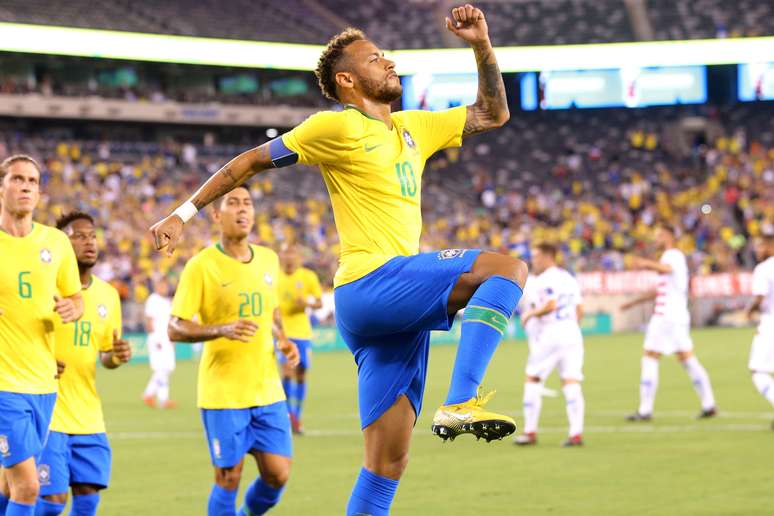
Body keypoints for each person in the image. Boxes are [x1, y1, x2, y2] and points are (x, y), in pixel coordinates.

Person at [150, 6, 528, 514]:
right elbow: (250, 161)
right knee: (508, 269)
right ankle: (461, 400)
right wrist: (183, 212)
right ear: (348, 79)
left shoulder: (416, 126)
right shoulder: (334, 127)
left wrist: (481, 45)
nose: (388, 61)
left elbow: (492, 113)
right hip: (371, 284)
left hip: (390, 313)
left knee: (386, 466)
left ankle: (453, 407)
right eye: (376, 58)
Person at [167, 186, 299, 516]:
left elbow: (272, 310)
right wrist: (222, 329)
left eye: (247, 204)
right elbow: (175, 326)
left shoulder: (269, 258)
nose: (242, 210)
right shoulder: (202, 265)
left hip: (267, 391)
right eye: (233, 203)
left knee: (278, 474)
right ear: (216, 214)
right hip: (223, 393)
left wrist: (282, 338)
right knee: (229, 477)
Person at [0, 155, 84, 516]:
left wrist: (72, 308)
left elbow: (75, 297)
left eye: (32, 181)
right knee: (28, 486)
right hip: (4, 385)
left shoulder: (57, 243)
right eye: (17, 179)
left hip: (44, 385)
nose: (25, 187)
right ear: (2, 187)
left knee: (8, 482)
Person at [35, 212, 132, 516]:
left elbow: (105, 356)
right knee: (50, 503)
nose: (89, 241)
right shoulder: (42, 288)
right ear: (61, 244)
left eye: (92, 235)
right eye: (78, 235)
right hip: (47, 412)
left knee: (88, 499)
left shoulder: (108, 295)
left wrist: (115, 355)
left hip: (88, 415)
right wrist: (40, 360)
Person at [621, 225, 717, 421]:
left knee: (650, 357)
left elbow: (666, 268)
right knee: (688, 360)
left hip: (666, 316)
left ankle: (645, 410)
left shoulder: (672, 255)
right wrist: (633, 302)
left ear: (668, 235)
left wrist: (645, 263)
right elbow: (659, 289)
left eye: (658, 235)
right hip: (677, 317)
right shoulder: (673, 258)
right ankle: (709, 404)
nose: (655, 239)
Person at [514, 243, 585, 447]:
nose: (534, 260)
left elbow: (551, 305)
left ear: (549, 256)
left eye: (537, 257)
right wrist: (572, 328)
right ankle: (576, 433)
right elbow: (580, 309)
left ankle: (529, 431)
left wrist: (530, 314)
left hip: (552, 333)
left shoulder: (546, 279)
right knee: (571, 382)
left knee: (533, 378)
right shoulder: (568, 278)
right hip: (572, 333)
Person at [278, 243, 323, 434]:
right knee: (287, 370)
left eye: (292, 253)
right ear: (281, 257)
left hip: (303, 333)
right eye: (286, 253)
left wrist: (306, 303)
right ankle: (289, 416)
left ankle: (297, 413)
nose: (289, 257)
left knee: (302, 372)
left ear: (298, 257)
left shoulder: (308, 276)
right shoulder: (273, 276)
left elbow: (319, 302)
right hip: (282, 332)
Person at [745, 234, 774, 429]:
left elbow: (759, 297)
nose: (757, 250)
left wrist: (748, 312)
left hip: (771, 323)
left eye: (760, 245)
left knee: (758, 371)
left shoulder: (763, 269)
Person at [142, 277, 175, 409]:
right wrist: (155, 339)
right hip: (158, 339)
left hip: (166, 339)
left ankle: (149, 394)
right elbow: (149, 321)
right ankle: (163, 399)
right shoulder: (153, 300)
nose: (165, 288)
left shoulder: (166, 301)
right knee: (162, 369)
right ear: (157, 286)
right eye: (162, 286)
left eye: (166, 286)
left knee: (166, 369)